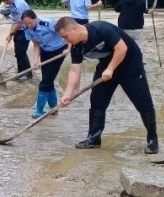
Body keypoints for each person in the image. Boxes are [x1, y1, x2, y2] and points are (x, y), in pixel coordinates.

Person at [55, 17, 158, 154]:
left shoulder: (101, 29)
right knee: (97, 100)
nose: (65, 41)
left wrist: (110, 69)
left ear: (74, 28)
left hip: (130, 65)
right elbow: (74, 71)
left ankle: (152, 140)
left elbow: (121, 48)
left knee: (142, 102)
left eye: (65, 36)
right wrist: (67, 94)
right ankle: (93, 138)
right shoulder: (76, 47)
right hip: (106, 67)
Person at [21, 10, 68, 119]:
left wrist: (69, 48)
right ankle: (54, 108)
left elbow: (66, 34)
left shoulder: (48, 23)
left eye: (30, 23)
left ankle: (39, 110)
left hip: (59, 51)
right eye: (26, 24)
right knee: (48, 79)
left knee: (45, 82)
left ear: (35, 18)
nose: (29, 26)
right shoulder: (26, 28)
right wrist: (36, 61)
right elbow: (36, 44)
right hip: (45, 51)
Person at [114, 0, 153, 65]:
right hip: (137, 27)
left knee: (124, 44)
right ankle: (138, 61)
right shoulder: (141, 1)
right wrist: (150, 11)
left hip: (124, 26)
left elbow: (116, 9)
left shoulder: (122, 0)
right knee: (138, 44)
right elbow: (144, 10)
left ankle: (123, 60)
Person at [0, 0, 32, 79]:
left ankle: (28, 74)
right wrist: (11, 33)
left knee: (21, 52)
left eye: (6, 0)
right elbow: (14, 20)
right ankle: (20, 73)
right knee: (18, 52)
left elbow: (19, 23)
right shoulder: (10, 2)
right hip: (18, 27)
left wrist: (10, 34)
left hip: (26, 28)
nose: (5, 2)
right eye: (3, 0)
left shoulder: (19, 5)